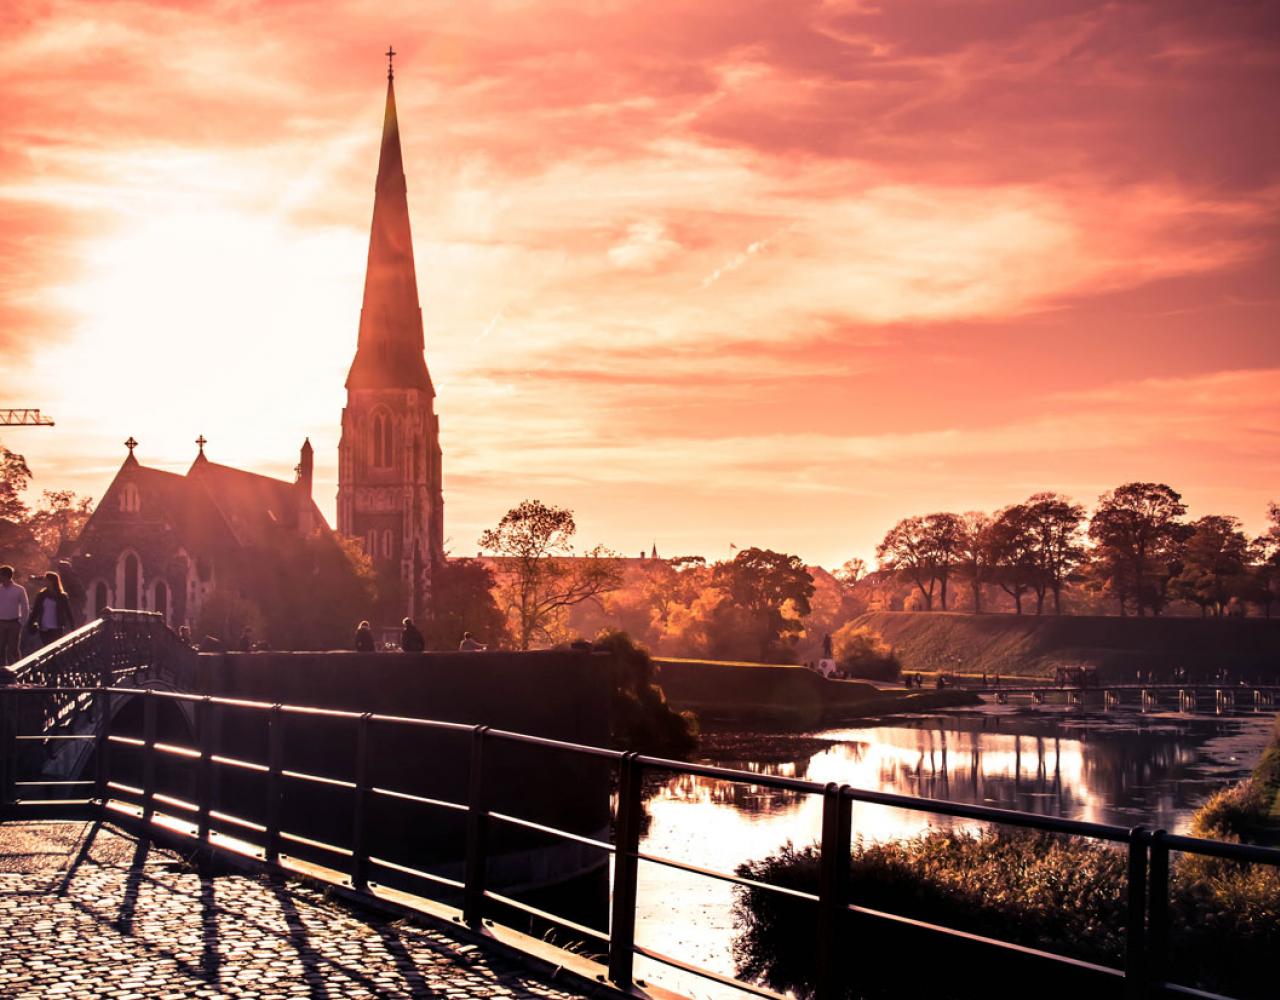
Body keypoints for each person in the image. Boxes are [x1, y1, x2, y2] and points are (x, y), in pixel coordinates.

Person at [28, 571, 76, 647]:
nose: (44, 582)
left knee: (56, 648)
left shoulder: (62, 596)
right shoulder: (41, 595)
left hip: (57, 627)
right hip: (44, 628)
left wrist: (72, 627)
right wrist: (31, 623)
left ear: (52, 581)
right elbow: (35, 611)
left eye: (46, 580)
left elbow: (68, 611)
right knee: (47, 648)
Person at [0, 565, 30, 667]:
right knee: (1, 648)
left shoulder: (19, 589)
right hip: (1, 622)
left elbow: (25, 607)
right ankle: (2, 671)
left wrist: (21, 623)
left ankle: (19, 668)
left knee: (13, 649)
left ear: (6, 576)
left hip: (14, 622)